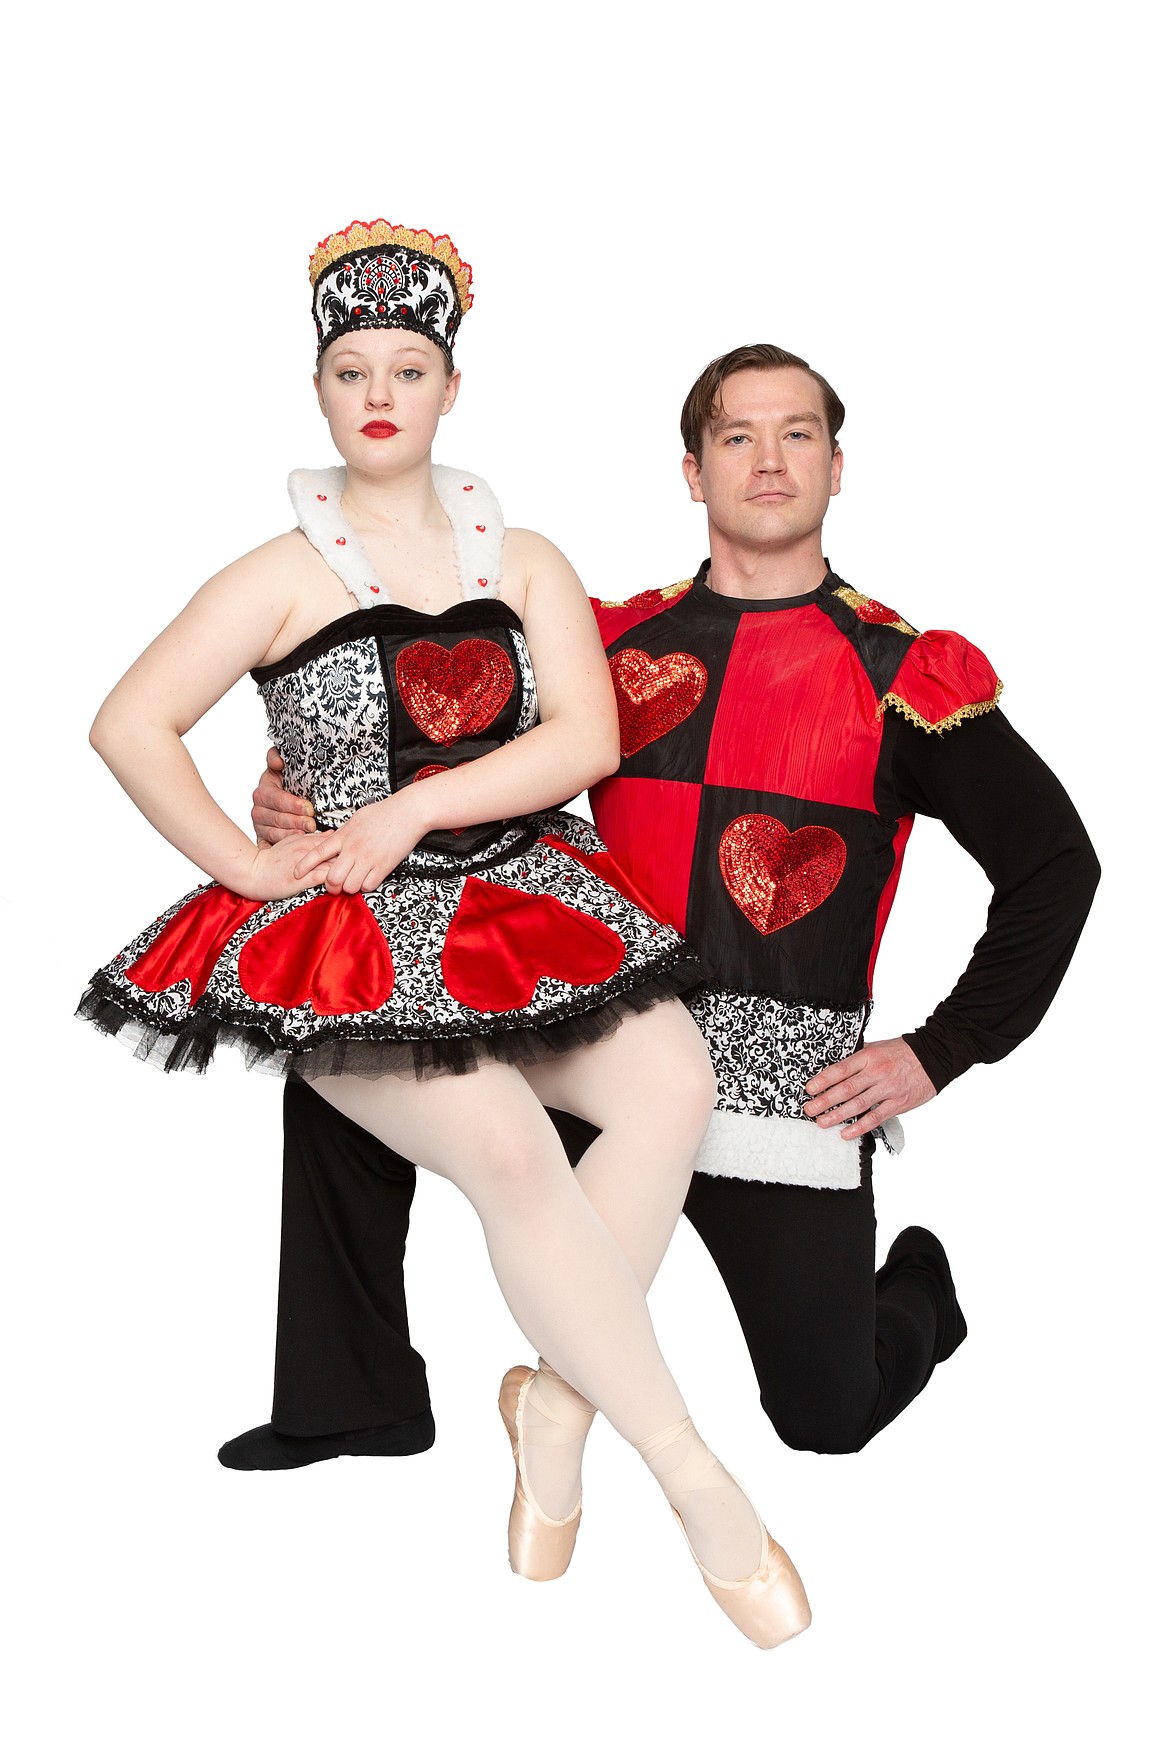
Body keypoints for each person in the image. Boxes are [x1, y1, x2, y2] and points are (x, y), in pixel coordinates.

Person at [77, 225, 813, 1650]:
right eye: (349, 367)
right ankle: (698, 1481)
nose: (377, 390)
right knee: (514, 1153)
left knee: (672, 1084)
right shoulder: (275, 572)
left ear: (449, 388)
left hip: (526, 893)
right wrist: (251, 864)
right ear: (317, 387)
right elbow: (124, 722)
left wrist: (416, 810)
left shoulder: (523, 552)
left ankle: (555, 1405)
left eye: (406, 366)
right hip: (344, 934)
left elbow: (582, 739)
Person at [240, 340, 1100, 1477]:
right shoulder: (605, 644)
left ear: (838, 466)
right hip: (593, 1036)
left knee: (826, 1415)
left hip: (775, 1092)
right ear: (693, 472)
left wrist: (941, 1052)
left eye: (797, 435)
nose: (769, 460)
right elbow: (433, 732)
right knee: (344, 1056)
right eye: (736, 436)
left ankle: (917, 1291)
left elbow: (1056, 865)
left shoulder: (901, 673)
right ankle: (353, 1400)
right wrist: (298, 795)